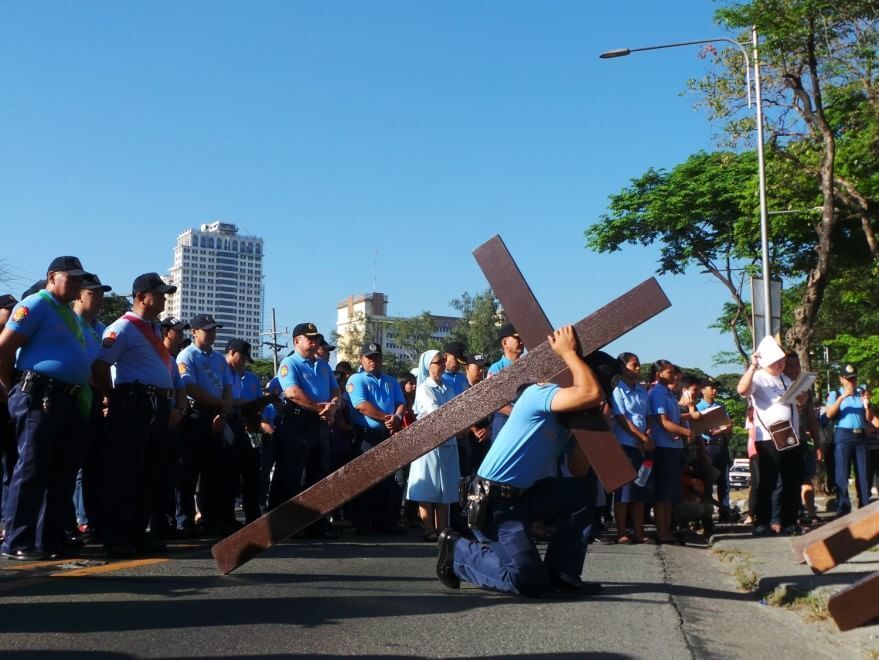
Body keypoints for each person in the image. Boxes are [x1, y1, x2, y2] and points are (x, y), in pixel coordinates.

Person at [436, 326, 604, 597]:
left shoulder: (569, 418)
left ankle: (562, 572)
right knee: (529, 581)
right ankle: (458, 552)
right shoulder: (540, 393)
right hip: (494, 503)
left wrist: (595, 426)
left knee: (582, 490)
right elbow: (590, 393)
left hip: (524, 497)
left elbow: (577, 469)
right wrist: (568, 353)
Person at [0, 256, 92, 560]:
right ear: (52, 276)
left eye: (81, 280)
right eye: (73, 278)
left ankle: (50, 538)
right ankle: (17, 540)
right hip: (40, 394)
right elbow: (5, 347)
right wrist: (9, 385)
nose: (78, 284)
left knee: (61, 473)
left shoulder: (67, 312)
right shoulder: (36, 304)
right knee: (32, 469)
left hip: (67, 398)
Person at [93, 272, 186, 556]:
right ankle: (117, 536)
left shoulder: (154, 329)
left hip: (156, 405)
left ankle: (137, 531)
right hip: (134, 403)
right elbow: (100, 365)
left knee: (150, 472)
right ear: (141, 297)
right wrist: (112, 398)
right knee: (125, 472)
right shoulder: (122, 328)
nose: (163, 299)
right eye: (158, 294)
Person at [272, 322, 340, 538]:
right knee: (291, 474)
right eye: (309, 338)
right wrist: (319, 408)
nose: (314, 342)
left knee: (318, 474)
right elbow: (292, 393)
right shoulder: (289, 363)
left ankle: (315, 523)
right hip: (297, 422)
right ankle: (286, 524)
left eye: (316, 339)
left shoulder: (323, 366)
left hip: (319, 423)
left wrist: (333, 405)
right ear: (296, 341)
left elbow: (335, 390)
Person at [736, 336, 804, 535]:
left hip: (791, 436)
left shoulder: (786, 379)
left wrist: (801, 394)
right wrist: (752, 366)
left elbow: (800, 401)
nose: (781, 364)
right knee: (769, 481)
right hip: (769, 437)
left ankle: (789, 521)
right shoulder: (758, 377)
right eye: (777, 361)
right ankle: (762, 521)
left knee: (792, 480)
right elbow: (742, 390)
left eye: (782, 360)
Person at [176, 313, 234, 535]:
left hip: (217, 415)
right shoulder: (187, 355)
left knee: (214, 472)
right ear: (194, 332)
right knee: (190, 471)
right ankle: (186, 520)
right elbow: (189, 387)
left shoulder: (219, 359)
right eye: (207, 330)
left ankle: (211, 519)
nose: (211, 334)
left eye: (213, 330)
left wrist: (223, 409)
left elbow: (228, 386)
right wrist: (221, 404)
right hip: (197, 415)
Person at [346, 341, 407, 535]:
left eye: (376, 358)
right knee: (365, 479)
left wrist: (396, 417)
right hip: (366, 435)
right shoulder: (357, 379)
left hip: (387, 434)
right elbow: (361, 405)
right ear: (361, 359)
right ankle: (362, 523)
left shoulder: (390, 380)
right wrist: (387, 418)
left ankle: (384, 521)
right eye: (369, 358)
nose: (373, 361)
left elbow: (401, 403)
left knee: (387, 479)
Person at [406, 350, 461, 542]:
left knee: (446, 487)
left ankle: (443, 529)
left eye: (444, 361)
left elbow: (457, 408)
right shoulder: (424, 388)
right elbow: (435, 411)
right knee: (428, 487)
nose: (443, 365)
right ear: (428, 365)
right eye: (438, 362)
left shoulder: (448, 387)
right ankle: (428, 528)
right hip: (428, 444)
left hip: (449, 441)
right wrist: (456, 420)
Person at [610, 352, 653, 544]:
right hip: (626, 445)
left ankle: (639, 531)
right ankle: (621, 531)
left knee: (639, 490)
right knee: (624, 491)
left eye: (639, 364)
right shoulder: (617, 392)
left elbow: (648, 416)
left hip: (642, 447)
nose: (638, 368)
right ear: (622, 368)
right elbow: (622, 419)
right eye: (634, 365)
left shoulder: (642, 391)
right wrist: (640, 436)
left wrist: (648, 435)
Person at [648, 359, 692, 544]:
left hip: (673, 445)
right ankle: (662, 531)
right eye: (669, 372)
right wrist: (686, 432)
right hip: (662, 446)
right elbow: (663, 421)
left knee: (669, 493)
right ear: (658, 375)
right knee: (662, 492)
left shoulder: (669, 394)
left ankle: (667, 529)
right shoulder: (657, 393)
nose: (673, 376)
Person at [826, 364, 874, 515]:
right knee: (842, 471)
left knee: (863, 471)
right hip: (843, 434)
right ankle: (843, 505)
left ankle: (865, 503)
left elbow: (869, 418)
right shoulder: (835, 393)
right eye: (848, 380)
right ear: (842, 380)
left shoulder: (861, 393)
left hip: (860, 435)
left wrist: (867, 403)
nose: (851, 383)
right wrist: (842, 397)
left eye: (854, 379)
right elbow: (829, 414)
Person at [696, 379, 733, 521]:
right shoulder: (698, 407)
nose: (714, 391)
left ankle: (725, 512)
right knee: (707, 482)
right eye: (711, 388)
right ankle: (707, 517)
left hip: (721, 445)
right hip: (707, 446)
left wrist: (723, 430)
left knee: (724, 482)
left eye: (715, 388)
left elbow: (728, 425)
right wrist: (719, 429)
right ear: (703, 390)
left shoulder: (720, 406)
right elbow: (704, 428)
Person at [486, 323, 523, 439]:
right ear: (505, 343)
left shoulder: (527, 365)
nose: (522, 341)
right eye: (517, 338)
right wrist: (518, 414)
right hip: (504, 421)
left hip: (526, 420)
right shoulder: (496, 368)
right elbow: (493, 400)